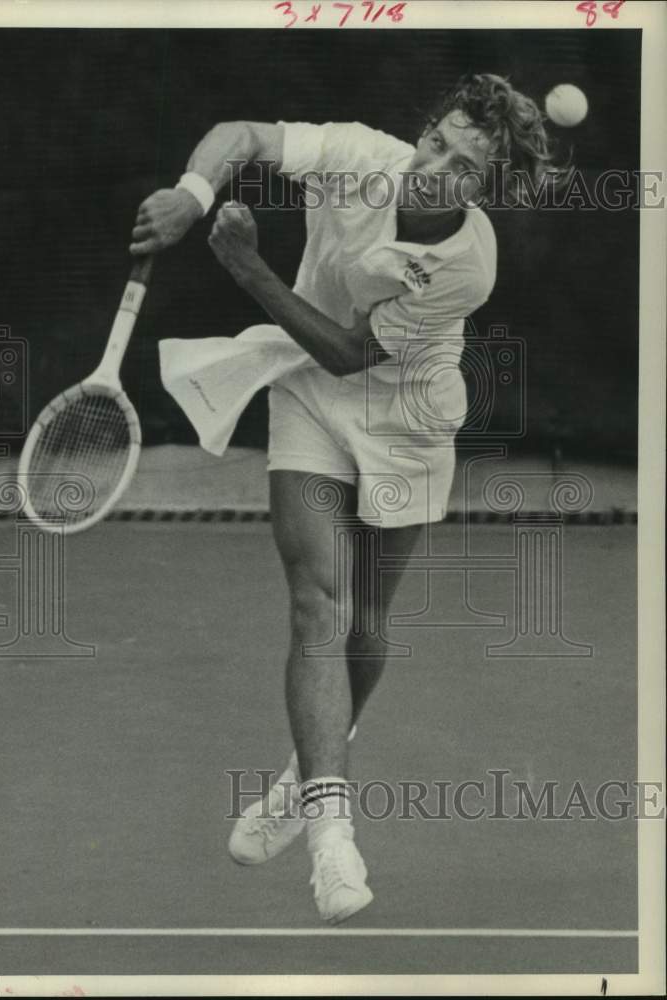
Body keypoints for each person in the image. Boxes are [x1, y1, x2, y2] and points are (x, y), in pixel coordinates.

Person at [130, 74, 563, 924]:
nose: (431, 168)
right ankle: (333, 837)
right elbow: (243, 130)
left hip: (406, 416)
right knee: (317, 607)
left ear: (486, 190)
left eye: (462, 167)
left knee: (366, 621)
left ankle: (304, 777)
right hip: (309, 397)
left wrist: (249, 268)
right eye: (435, 142)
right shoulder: (363, 156)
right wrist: (192, 193)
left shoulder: (467, 264)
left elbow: (350, 351)